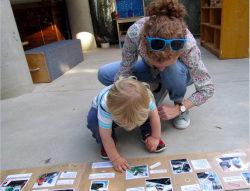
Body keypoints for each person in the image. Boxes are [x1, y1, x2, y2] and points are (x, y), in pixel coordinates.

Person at [98, 0, 214, 130]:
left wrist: (179, 108)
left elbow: (207, 88)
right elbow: (125, 71)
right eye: (157, 63)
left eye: (164, 64)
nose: (161, 69)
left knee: (170, 69)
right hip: (150, 69)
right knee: (104, 74)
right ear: (145, 47)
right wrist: (120, 102)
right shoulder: (135, 33)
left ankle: (178, 100)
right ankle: (159, 86)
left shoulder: (188, 45)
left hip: (180, 74)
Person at [87, 77, 166, 173]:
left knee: (148, 115)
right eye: (126, 123)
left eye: (132, 123)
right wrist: (116, 159)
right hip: (105, 113)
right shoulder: (106, 107)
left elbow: (154, 116)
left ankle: (147, 132)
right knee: (93, 121)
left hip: (130, 110)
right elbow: (105, 136)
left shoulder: (146, 99)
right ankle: (109, 143)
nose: (128, 127)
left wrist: (155, 137)